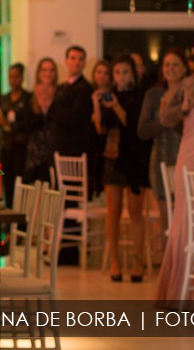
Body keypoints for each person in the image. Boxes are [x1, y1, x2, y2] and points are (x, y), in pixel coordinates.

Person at [92, 54, 148, 282]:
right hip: (113, 158)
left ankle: (137, 261)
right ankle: (115, 261)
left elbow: (131, 124)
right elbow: (100, 129)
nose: (121, 76)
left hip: (134, 158)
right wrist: (97, 104)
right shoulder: (108, 96)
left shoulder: (139, 96)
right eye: (117, 72)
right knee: (113, 212)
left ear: (132, 74)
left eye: (125, 72)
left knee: (135, 213)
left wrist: (114, 105)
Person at [137, 48, 187, 244]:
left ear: (184, 69)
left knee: (184, 215)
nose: (171, 69)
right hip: (160, 160)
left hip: (184, 159)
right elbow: (142, 131)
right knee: (166, 219)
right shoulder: (154, 94)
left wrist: (175, 115)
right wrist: (165, 119)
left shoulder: (188, 93)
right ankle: (169, 265)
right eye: (167, 64)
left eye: (176, 64)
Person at [156, 74, 194, 306]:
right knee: (186, 219)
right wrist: (183, 108)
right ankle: (181, 289)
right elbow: (165, 118)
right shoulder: (187, 84)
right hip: (189, 155)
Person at [48, 45, 94, 158]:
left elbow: (74, 117)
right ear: (66, 61)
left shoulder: (86, 88)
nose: (77, 62)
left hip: (73, 147)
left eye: (81, 59)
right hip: (57, 144)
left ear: (84, 63)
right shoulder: (61, 87)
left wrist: (50, 105)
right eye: (73, 58)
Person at [0, 63, 32, 207]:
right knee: (8, 182)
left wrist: (12, 125)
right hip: (6, 145)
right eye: (11, 76)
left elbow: (29, 122)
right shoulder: (4, 98)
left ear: (22, 77)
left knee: (20, 181)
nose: (14, 80)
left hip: (21, 146)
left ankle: (20, 217)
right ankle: (9, 213)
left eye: (17, 76)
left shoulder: (27, 98)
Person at [23, 57, 58, 184]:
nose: (48, 73)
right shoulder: (30, 97)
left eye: (51, 70)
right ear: (39, 73)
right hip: (35, 152)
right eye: (44, 70)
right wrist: (42, 109)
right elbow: (28, 125)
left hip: (54, 150)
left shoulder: (59, 94)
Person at [89, 60, 112, 197]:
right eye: (99, 72)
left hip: (102, 145)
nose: (102, 76)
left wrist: (96, 104)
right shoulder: (89, 92)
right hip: (89, 144)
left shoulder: (109, 96)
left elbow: (100, 128)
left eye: (105, 73)